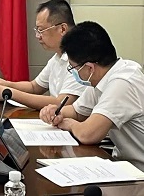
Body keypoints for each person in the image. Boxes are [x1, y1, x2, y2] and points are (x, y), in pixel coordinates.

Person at [40, 21, 144, 170]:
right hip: (125, 164)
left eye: (73, 67)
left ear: (89, 68)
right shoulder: (101, 78)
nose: (73, 72)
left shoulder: (123, 82)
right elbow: (77, 111)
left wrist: (69, 124)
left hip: (139, 171)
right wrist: (55, 112)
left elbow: (88, 134)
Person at [0, 0, 84, 110]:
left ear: (62, 29)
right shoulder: (58, 57)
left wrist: (9, 93)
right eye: (37, 30)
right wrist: (7, 84)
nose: (37, 36)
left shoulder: (80, 58)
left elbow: (61, 103)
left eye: (41, 30)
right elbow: (34, 87)